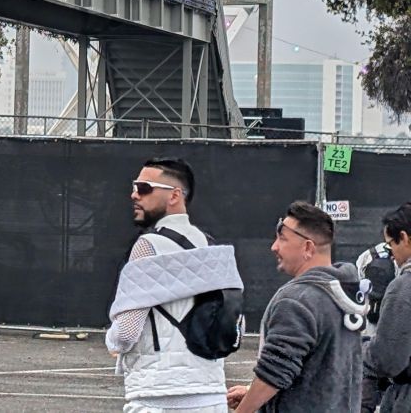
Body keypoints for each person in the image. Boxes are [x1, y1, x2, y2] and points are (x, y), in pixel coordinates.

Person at [106, 158, 242, 413]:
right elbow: (235, 325)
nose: (134, 194)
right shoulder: (213, 248)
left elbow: (125, 333)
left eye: (144, 188)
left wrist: (111, 341)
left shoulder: (148, 246)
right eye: (135, 187)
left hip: (157, 394)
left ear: (174, 196)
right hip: (210, 393)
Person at [227, 201, 367, 413]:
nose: (274, 246)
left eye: (282, 238)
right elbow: (319, 370)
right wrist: (251, 390)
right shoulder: (345, 294)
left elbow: (274, 373)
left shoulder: (297, 300)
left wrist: (243, 410)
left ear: (308, 247)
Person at [361, 202, 411, 413]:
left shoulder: (403, 287)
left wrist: (360, 351)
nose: (392, 254)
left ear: (405, 238)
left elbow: (387, 358)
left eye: (391, 244)